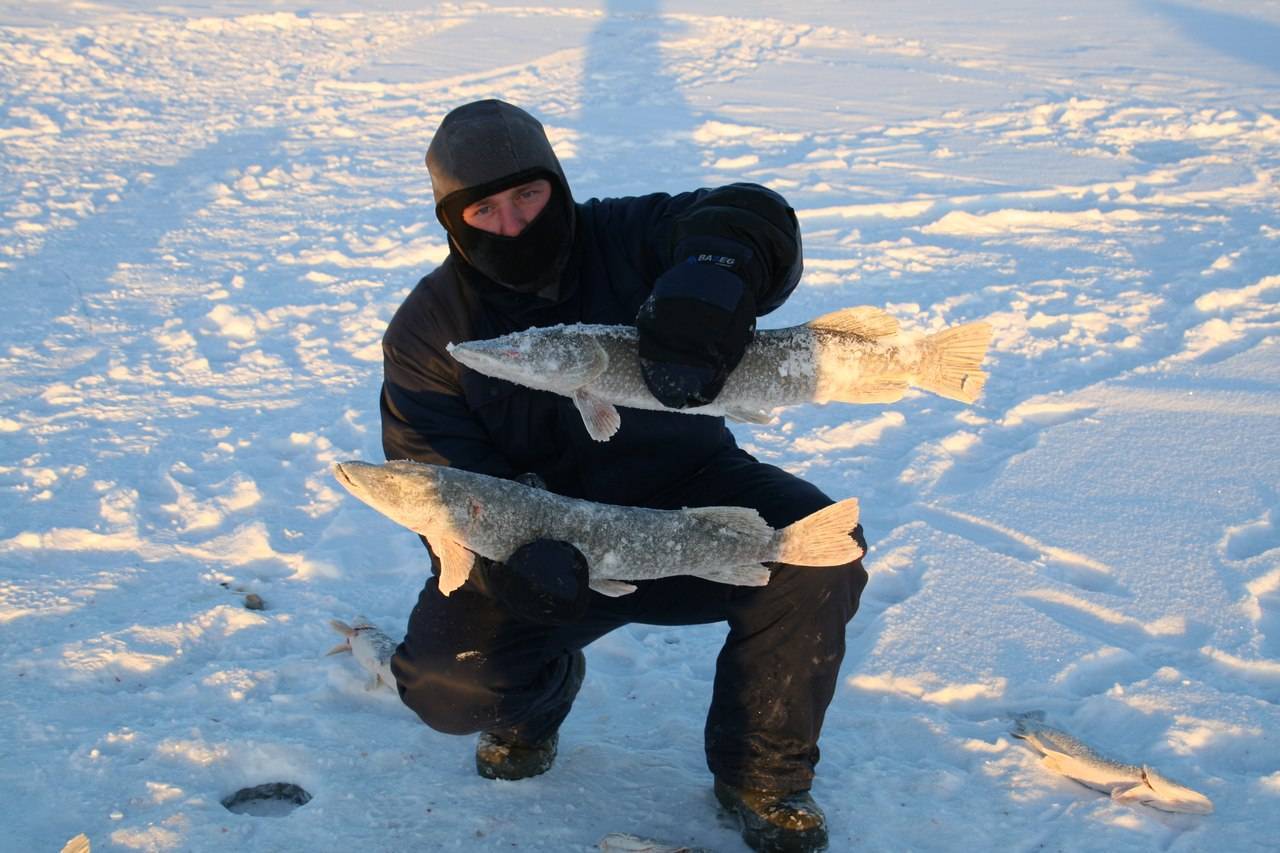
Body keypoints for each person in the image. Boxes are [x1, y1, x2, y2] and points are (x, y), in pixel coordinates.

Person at [381, 99, 868, 853]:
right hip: (549, 545)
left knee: (819, 548)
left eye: (529, 195)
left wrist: (718, 270)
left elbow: (747, 213)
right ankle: (536, 702)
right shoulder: (429, 328)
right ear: (452, 217)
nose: (512, 222)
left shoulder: (629, 236)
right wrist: (513, 565)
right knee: (448, 682)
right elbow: (435, 479)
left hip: (694, 485)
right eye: (484, 208)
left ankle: (761, 776)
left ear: (558, 184)